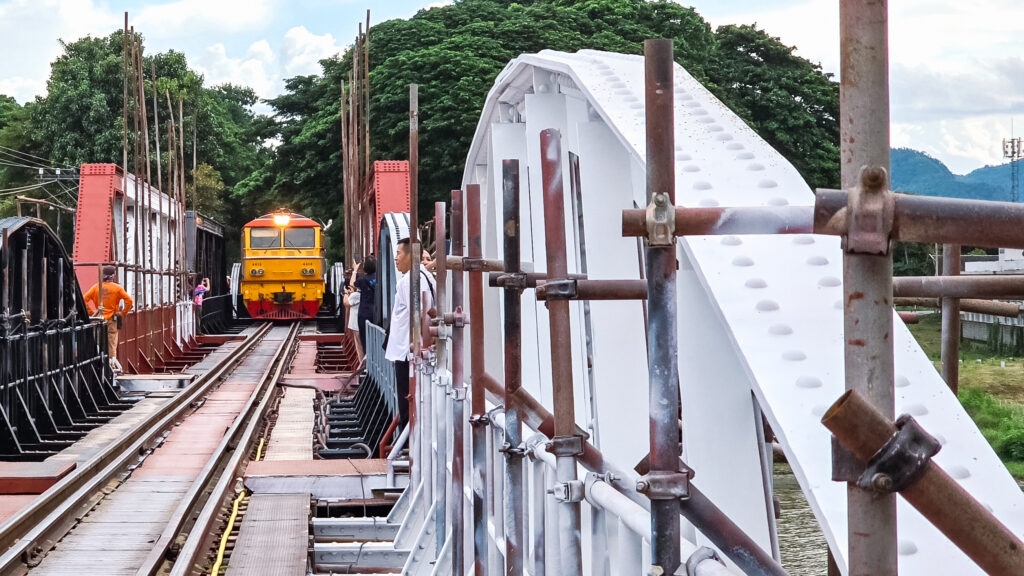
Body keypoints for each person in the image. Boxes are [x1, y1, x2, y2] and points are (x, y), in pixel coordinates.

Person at [385, 238, 435, 428]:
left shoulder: (409, 281)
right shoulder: (426, 276)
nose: (396, 258)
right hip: (415, 350)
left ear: (410, 255)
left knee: (408, 404)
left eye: (399, 253)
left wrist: (422, 345)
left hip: (409, 352)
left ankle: (410, 450)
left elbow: (424, 314)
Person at [84, 265, 134, 372]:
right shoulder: (117, 288)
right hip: (112, 318)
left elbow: (84, 299)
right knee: (112, 340)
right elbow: (129, 301)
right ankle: (112, 363)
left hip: (99, 319)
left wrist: (92, 313)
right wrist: (123, 312)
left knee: (98, 341)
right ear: (112, 276)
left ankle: (97, 362)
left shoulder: (96, 287)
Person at [354, 256, 376, 352]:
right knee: (376, 337)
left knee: (365, 338)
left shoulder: (362, 280)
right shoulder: (380, 279)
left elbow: (352, 284)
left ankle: (367, 358)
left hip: (364, 312)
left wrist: (355, 271)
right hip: (376, 312)